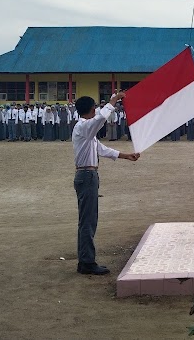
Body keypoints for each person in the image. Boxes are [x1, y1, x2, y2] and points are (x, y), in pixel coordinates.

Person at [72, 91, 139, 275]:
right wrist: (113, 102)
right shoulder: (84, 127)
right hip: (86, 176)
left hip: (89, 175)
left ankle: (85, 260)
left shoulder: (87, 131)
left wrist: (126, 156)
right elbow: (99, 120)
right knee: (88, 221)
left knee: (88, 219)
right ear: (92, 109)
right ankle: (87, 262)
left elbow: (102, 149)